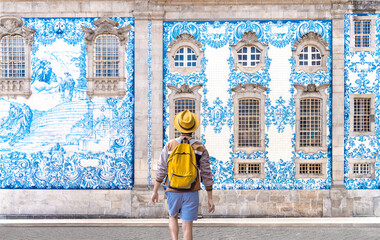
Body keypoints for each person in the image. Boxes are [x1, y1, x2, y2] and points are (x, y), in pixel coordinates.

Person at [151, 109, 215, 240]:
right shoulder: (200, 147)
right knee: (187, 225)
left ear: (178, 126)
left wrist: (155, 190)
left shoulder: (170, 145)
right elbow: (206, 173)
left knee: (172, 217)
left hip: (173, 189)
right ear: (193, 128)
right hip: (191, 191)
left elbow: (162, 169)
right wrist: (210, 197)